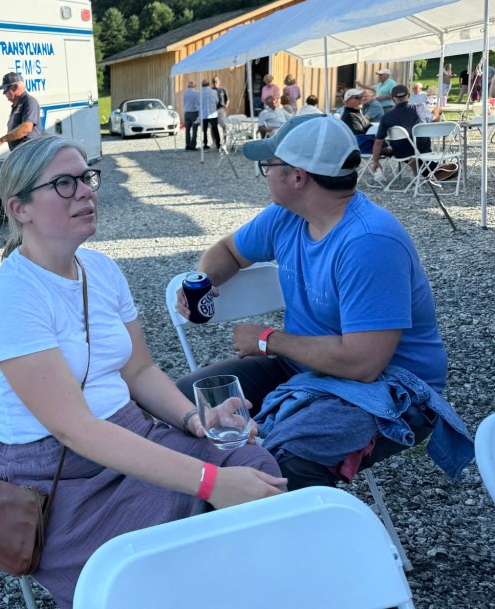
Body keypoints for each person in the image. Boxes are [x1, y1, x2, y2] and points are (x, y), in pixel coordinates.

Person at [0, 135, 285, 607]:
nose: (85, 191)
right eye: (64, 183)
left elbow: (139, 371)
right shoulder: (10, 297)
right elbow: (75, 429)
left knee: (254, 468)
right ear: (20, 208)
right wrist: (210, 482)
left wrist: (195, 419)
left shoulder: (100, 270)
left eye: (86, 178)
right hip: (59, 474)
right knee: (155, 558)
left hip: (131, 433)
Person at [174, 116, 472, 491]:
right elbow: (229, 251)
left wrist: (267, 339)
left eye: (268, 165)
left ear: (298, 177)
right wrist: (203, 281)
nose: (265, 173)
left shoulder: (370, 242)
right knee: (181, 404)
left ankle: (298, 525)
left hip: (394, 388)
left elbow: (363, 364)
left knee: (281, 463)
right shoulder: (286, 216)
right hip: (307, 366)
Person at [370, 84, 426, 175]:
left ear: (393, 99)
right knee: (418, 143)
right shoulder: (418, 110)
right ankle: (428, 172)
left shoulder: (386, 117)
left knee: (406, 147)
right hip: (421, 150)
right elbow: (431, 121)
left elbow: (378, 142)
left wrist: (375, 160)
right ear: (408, 95)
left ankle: (421, 173)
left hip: (400, 152)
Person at [0, 72, 42, 152]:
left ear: (16, 87)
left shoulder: (29, 101)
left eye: (5, 89)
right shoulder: (17, 105)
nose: (4, 93)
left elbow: (26, 128)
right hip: (21, 153)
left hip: (30, 152)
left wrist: (1, 140)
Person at [338, 89, 375, 155]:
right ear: (348, 100)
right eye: (358, 98)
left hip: (367, 146)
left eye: (361, 97)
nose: (361, 100)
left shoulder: (356, 113)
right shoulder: (350, 116)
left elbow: (369, 128)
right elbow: (359, 138)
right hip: (363, 149)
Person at [200, 79, 221, 150]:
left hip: (204, 114)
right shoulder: (213, 92)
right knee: (215, 129)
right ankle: (218, 144)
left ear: (202, 85)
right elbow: (217, 101)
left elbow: (198, 103)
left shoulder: (200, 93)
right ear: (209, 84)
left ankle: (205, 144)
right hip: (213, 113)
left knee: (204, 130)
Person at [182, 80, 201, 150]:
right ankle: (192, 146)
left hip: (186, 112)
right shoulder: (197, 92)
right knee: (194, 129)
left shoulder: (184, 93)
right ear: (195, 86)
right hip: (194, 112)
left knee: (187, 130)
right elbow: (199, 102)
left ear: (188, 86)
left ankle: (187, 145)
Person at [213, 77, 229, 145]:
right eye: (214, 82)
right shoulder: (211, 90)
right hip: (213, 110)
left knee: (224, 126)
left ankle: (225, 141)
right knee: (213, 127)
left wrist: (226, 106)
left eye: (216, 82)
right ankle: (215, 142)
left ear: (219, 82)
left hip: (221, 109)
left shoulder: (223, 90)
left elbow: (227, 99)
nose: (215, 83)